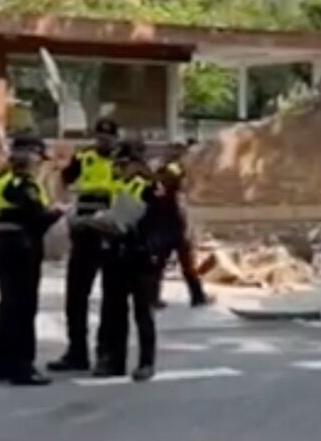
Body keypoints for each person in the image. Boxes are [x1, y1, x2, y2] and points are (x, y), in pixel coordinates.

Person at [0, 134, 62, 386]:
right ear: (30, 157)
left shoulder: (0, 178)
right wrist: (58, 213)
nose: (41, 164)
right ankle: (22, 367)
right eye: (39, 158)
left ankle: (0, 365)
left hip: (2, 243)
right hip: (21, 246)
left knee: (7, 305)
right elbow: (35, 218)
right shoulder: (22, 184)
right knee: (23, 307)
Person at [47, 118, 120, 373]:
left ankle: (105, 354)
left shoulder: (122, 160)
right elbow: (63, 179)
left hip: (112, 229)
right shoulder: (84, 157)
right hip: (85, 227)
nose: (104, 142)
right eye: (100, 137)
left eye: (108, 138)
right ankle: (76, 351)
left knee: (112, 297)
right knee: (76, 294)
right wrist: (63, 205)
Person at [93, 139, 161, 381]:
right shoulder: (118, 185)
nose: (119, 168)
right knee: (112, 310)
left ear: (136, 163)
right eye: (117, 163)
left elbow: (157, 223)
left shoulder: (150, 187)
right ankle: (112, 360)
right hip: (115, 252)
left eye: (124, 163)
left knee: (143, 311)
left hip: (140, 254)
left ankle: (146, 362)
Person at [150, 143, 212, 309]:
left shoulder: (156, 169)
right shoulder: (172, 168)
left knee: (161, 264)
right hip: (172, 223)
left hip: (163, 223)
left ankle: (153, 297)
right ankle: (197, 296)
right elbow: (182, 181)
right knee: (184, 264)